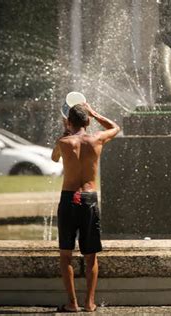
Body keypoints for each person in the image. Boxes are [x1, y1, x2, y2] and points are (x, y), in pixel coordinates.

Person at [51, 102, 120, 312]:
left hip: (69, 198)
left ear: (69, 122)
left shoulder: (63, 141)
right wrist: (95, 112)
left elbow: (54, 158)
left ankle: (72, 303)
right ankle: (89, 303)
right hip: (89, 198)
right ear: (88, 121)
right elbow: (115, 128)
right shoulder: (97, 139)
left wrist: (65, 131)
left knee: (65, 254)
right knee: (91, 256)